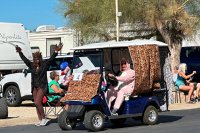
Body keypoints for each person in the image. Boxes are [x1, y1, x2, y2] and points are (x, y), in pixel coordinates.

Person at [15, 43, 63, 126]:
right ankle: (40, 120)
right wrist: (20, 52)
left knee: (37, 102)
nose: (37, 60)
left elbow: (51, 59)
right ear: (34, 59)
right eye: (35, 59)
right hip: (34, 87)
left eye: (38, 59)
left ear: (40, 59)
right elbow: (25, 60)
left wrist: (56, 51)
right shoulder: (32, 66)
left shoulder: (44, 65)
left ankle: (44, 118)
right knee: (36, 104)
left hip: (42, 86)